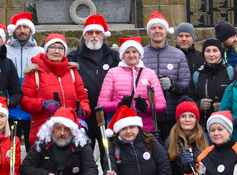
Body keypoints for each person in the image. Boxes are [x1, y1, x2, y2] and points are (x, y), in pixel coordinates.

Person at [21, 33, 91, 145]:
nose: (56, 51)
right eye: (52, 47)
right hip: (44, 130)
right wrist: (42, 104)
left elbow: (83, 97)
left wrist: (84, 110)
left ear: (65, 51)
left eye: (60, 48)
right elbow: (24, 101)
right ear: (46, 50)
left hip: (69, 130)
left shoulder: (72, 72)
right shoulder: (35, 72)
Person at [67, 14, 119, 156]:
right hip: (83, 115)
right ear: (85, 35)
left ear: (103, 35)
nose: (94, 36)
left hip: (106, 116)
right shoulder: (73, 57)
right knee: (84, 158)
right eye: (90, 32)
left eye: (98, 33)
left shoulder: (113, 56)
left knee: (108, 156)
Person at [98, 37, 166, 137]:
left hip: (145, 129)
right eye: (127, 52)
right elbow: (101, 105)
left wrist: (146, 107)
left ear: (139, 54)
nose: (131, 55)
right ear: (122, 55)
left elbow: (162, 105)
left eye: (134, 51)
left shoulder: (150, 74)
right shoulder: (112, 73)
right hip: (121, 128)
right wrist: (119, 105)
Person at [143, 11, 191, 139]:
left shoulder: (178, 54)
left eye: (160, 27)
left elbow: (186, 84)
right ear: (149, 31)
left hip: (172, 116)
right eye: (153, 28)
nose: (157, 31)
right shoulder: (140, 54)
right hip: (147, 117)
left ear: (166, 31)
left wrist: (172, 86)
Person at [5, 12, 44, 152]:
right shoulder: (4, 51)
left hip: (32, 110)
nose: (22, 31)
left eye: (25, 27)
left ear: (31, 30)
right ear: (13, 30)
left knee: (34, 151)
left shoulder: (40, 51)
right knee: (9, 152)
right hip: (10, 110)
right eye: (18, 27)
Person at [185, 38, 236, 128]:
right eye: (208, 51)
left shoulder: (231, 73)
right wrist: (198, 105)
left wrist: (223, 106)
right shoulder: (198, 74)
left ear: (220, 53)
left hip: (227, 124)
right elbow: (189, 98)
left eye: (215, 51)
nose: (211, 54)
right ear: (203, 54)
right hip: (203, 125)